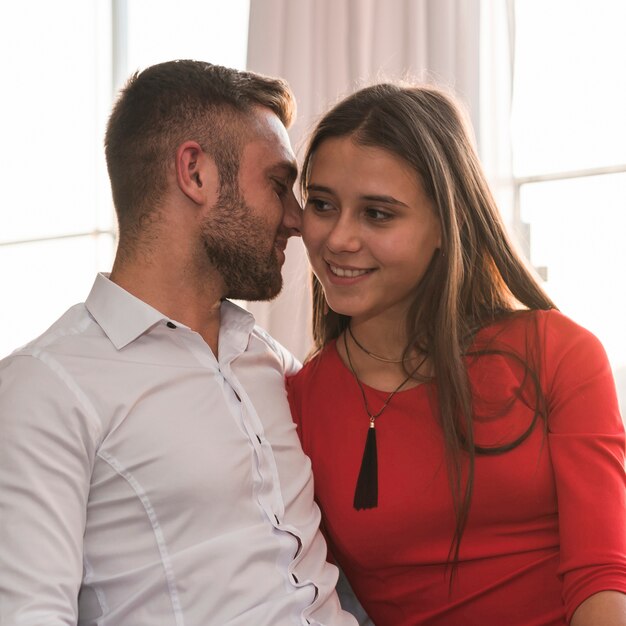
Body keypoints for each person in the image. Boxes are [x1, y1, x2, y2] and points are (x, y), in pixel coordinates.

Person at [0, 60, 357, 626]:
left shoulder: (270, 361)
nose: (297, 219)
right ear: (195, 172)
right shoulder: (45, 386)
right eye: (277, 183)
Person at [287, 82, 626, 625]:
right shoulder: (296, 403)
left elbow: (602, 580)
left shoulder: (558, 352)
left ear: (446, 225)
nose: (338, 239)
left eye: (378, 214)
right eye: (323, 205)